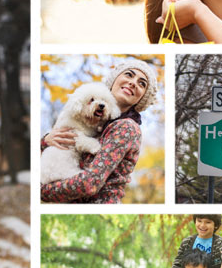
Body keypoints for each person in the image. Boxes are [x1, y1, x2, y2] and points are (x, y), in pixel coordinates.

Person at [40, 58, 157, 203]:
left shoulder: (125, 127)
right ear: (114, 80)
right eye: (129, 75)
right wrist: (45, 141)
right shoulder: (95, 124)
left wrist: (41, 191)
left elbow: (90, 184)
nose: (133, 83)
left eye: (142, 84)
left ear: (141, 98)